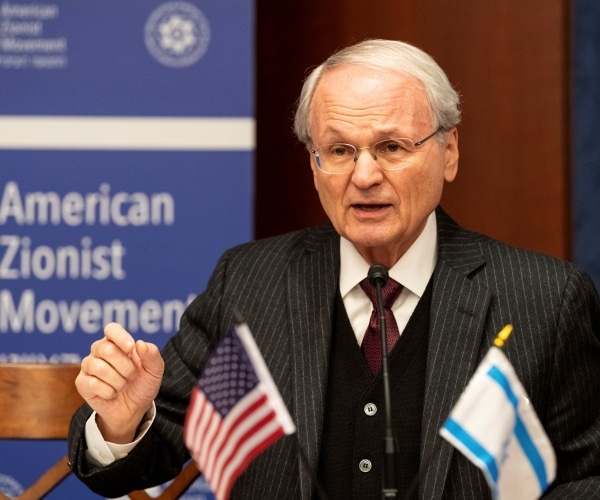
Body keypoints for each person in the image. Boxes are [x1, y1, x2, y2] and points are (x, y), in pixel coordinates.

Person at [68, 39, 600, 499]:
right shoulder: (251, 282)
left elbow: (586, 477)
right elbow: (144, 456)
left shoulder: (543, 299)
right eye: (339, 150)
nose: (364, 175)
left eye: (391, 147)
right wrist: (122, 421)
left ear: (449, 151)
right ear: (314, 163)